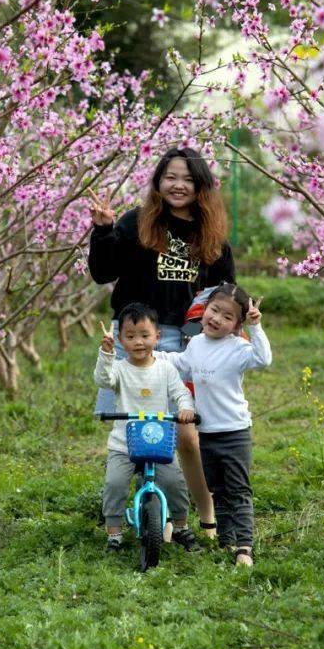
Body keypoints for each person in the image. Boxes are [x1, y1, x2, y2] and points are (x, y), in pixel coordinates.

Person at [88, 146, 235, 539]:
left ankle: (205, 516)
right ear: (158, 181)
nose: (178, 185)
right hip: (134, 338)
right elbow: (102, 272)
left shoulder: (210, 233)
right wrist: (103, 231)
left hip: (186, 342)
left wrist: (228, 336)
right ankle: (147, 511)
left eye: (187, 178)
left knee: (186, 432)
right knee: (132, 428)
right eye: (170, 177)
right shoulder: (137, 222)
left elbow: (226, 291)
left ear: (201, 185)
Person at [159, 283, 271, 567]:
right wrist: (152, 354)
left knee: (238, 490)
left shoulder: (239, 348)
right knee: (217, 489)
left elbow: (264, 359)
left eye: (227, 316)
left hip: (234, 432)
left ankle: (244, 547)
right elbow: (181, 364)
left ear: (236, 325)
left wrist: (256, 329)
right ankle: (226, 540)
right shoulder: (196, 344)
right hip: (207, 432)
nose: (217, 319)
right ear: (204, 309)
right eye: (214, 310)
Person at [94, 302, 203, 553]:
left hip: (159, 441)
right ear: (121, 339)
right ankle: (114, 532)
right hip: (125, 443)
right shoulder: (119, 369)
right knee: (114, 482)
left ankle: (181, 526)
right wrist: (107, 355)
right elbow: (103, 380)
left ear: (157, 336)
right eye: (130, 337)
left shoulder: (165, 369)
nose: (138, 342)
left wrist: (186, 409)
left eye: (145, 335)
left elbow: (181, 394)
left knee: (175, 482)